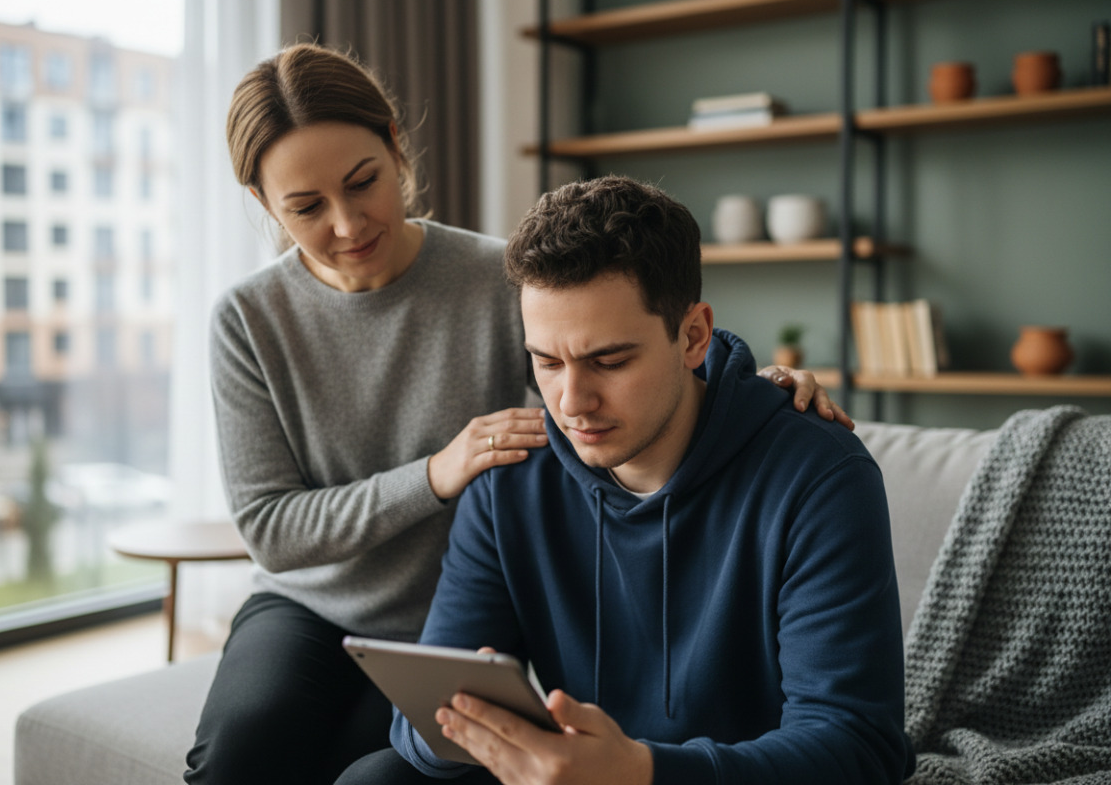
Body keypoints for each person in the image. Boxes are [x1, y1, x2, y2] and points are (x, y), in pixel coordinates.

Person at [186, 43, 851, 784]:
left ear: (396, 149)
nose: (346, 224)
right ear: (265, 204)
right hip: (324, 603)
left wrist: (750, 384)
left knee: (367, 763)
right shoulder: (248, 319)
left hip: (450, 601)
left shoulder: (502, 279)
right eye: (306, 207)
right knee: (242, 752)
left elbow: (631, 331)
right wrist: (436, 474)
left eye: (363, 182)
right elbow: (269, 525)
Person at [339, 175, 914, 785]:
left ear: (693, 336)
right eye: (546, 362)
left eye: (609, 361)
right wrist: (463, 721)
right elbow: (418, 724)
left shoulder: (819, 475)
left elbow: (855, 744)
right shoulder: (510, 480)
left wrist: (641, 772)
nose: (572, 402)